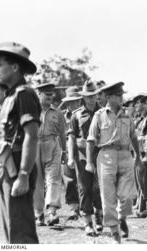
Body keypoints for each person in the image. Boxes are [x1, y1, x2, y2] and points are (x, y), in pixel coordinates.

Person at [0, 41, 40, 243]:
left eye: (0, 64)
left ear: (15, 67)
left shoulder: (24, 94)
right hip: (3, 166)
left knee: (21, 233)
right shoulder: (9, 96)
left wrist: (24, 175)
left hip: (16, 166)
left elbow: (31, 136)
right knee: (10, 230)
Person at [86, 82, 144, 243]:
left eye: (122, 95)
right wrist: (89, 162)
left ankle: (122, 216)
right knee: (108, 196)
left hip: (126, 155)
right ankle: (114, 230)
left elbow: (133, 136)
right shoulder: (99, 115)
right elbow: (91, 140)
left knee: (127, 195)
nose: (121, 98)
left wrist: (138, 157)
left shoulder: (127, 115)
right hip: (106, 157)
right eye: (118, 96)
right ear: (108, 97)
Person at [67, 80, 103, 236]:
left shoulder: (104, 113)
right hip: (82, 157)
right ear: (83, 97)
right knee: (84, 188)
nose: (91, 99)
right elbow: (71, 138)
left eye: (93, 95)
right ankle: (88, 222)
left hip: (100, 155)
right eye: (88, 96)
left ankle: (100, 216)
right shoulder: (76, 115)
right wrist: (70, 157)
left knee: (99, 187)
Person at [33, 82, 67, 226]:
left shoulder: (57, 113)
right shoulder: (31, 112)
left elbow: (62, 133)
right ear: (38, 94)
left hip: (53, 145)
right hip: (34, 146)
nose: (49, 96)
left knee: (53, 179)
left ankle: (52, 211)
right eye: (46, 94)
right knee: (37, 181)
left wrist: (64, 151)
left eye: (51, 94)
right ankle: (39, 213)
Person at [60, 86, 82, 220]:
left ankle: (87, 206)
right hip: (67, 150)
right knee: (69, 180)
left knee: (85, 180)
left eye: (76, 101)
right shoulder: (61, 116)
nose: (74, 104)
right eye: (71, 101)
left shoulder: (83, 114)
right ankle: (74, 208)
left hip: (82, 149)